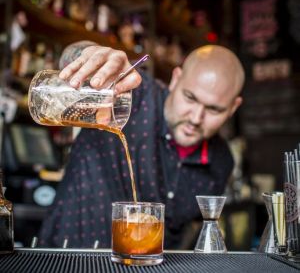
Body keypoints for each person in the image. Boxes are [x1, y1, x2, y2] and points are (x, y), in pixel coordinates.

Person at [39, 42, 245, 249]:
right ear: (175, 79)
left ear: (233, 107)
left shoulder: (221, 161)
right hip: (67, 255)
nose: (196, 118)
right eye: (190, 98)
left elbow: (189, 231)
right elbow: (68, 57)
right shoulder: (130, 93)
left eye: (214, 109)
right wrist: (87, 56)